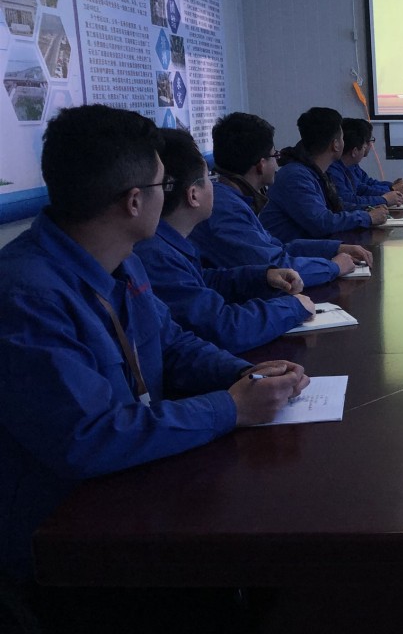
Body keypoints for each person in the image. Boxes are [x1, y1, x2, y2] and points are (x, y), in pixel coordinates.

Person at [0, 105, 309, 583]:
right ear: (133, 202)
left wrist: (242, 374)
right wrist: (230, 408)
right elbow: (88, 437)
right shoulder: (28, 295)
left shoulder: (123, 260)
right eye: (163, 185)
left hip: (138, 488)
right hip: (66, 544)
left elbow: (171, 343)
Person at [135, 129, 316, 354]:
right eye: (208, 178)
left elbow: (200, 281)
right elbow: (221, 326)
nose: (216, 186)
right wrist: (292, 307)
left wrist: (262, 277)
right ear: (193, 195)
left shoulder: (169, 243)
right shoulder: (154, 254)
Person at [189, 112, 372, 286]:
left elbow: (279, 247)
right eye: (274, 155)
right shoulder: (225, 208)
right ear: (261, 165)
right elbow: (275, 268)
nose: (277, 162)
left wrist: (336, 248)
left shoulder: (235, 199)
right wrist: (333, 267)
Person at [260, 107, 389, 243]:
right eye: (342, 138)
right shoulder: (295, 176)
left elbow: (334, 207)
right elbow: (321, 223)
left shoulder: (313, 171)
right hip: (293, 253)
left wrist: (367, 210)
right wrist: (367, 217)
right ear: (336, 145)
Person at [328, 118, 403, 208]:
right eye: (364, 146)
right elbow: (348, 201)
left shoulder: (350, 165)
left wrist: (390, 188)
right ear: (354, 151)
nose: (369, 146)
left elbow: (363, 186)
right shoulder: (333, 171)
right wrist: (385, 197)